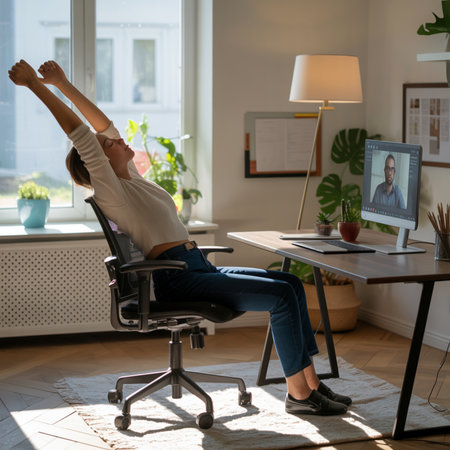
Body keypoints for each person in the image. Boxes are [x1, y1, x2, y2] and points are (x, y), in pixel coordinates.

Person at [9, 59, 351, 416]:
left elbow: (100, 126)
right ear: (98, 162)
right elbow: (81, 133)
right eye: (106, 144)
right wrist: (35, 84)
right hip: (178, 277)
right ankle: (298, 395)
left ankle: (311, 384)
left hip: (196, 266)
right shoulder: (113, 193)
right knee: (281, 296)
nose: (117, 139)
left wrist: (62, 83)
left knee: (291, 284)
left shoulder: (132, 180)